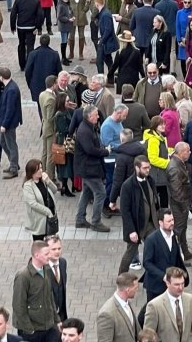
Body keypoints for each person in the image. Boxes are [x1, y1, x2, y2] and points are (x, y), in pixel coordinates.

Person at [12, 239, 60, 342]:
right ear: (37, 255)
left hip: (49, 326)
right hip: (32, 331)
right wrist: (29, 329)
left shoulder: (46, 270)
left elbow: (49, 296)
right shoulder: (23, 276)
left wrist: (57, 320)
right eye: (46, 254)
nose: (49, 256)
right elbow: (18, 305)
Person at [119, 155, 159, 275]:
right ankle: (121, 276)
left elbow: (154, 201)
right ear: (137, 168)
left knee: (155, 249)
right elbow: (125, 211)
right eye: (145, 168)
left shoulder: (150, 180)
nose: (148, 170)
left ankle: (152, 275)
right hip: (136, 225)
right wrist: (131, 230)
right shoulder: (127, 186)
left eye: (149, 167)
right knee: (130, 253)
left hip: (151, 224)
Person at [73, 105, 110, 233]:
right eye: (96, 115)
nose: (98, 116)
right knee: (101, 193)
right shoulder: (84, 131)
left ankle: (80, 219)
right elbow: (90, 150)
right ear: (89, 116)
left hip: (87, 167)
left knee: (87, 192)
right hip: (89, 168)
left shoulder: (87, 127)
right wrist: (105, 152)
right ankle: (96, 222)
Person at [142, 265, 192, 342]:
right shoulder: (155, 305)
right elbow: (148, 336)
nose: (181, 288)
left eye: (182, 283)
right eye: (177, 284)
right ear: (167, 283)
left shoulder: (189, 299)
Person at [96, 272, 141, 342]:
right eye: (135, 288)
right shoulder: (106, 314)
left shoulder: (128, 303)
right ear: (128, 290)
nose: (137, 290)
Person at [22, 159, 57, 242]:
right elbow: (33, 204)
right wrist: (47, 211)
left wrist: (48, 180)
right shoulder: (28, 186)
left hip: (50, 218)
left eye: (41, 168)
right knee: (40, 245)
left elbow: (55, 190)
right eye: (38, 169)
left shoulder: (43, 180)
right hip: (39, 221)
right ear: (32, 172)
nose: (41, 171)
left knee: (50, 244)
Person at [0, 68, 23, 180]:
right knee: (2, 142)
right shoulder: (9, 86)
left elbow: (10, 109)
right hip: (7, 122)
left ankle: (14, 168)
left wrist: (4, 125)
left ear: (1, 77)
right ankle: (14, 163)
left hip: (9, 123)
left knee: (11, 145)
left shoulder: (11, 89)